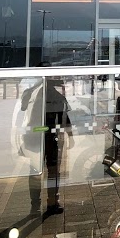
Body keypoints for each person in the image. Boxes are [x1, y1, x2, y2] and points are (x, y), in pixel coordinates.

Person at [21, 76, 73, 215]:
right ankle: (52, 202)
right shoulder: (56, 96)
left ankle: (36, 205)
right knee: (53, 171)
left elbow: (23, 107)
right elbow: (64, 119)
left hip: (34, 137)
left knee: (36, 171)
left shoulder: (31, 93)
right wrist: (71, 136)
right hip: (49, 138)